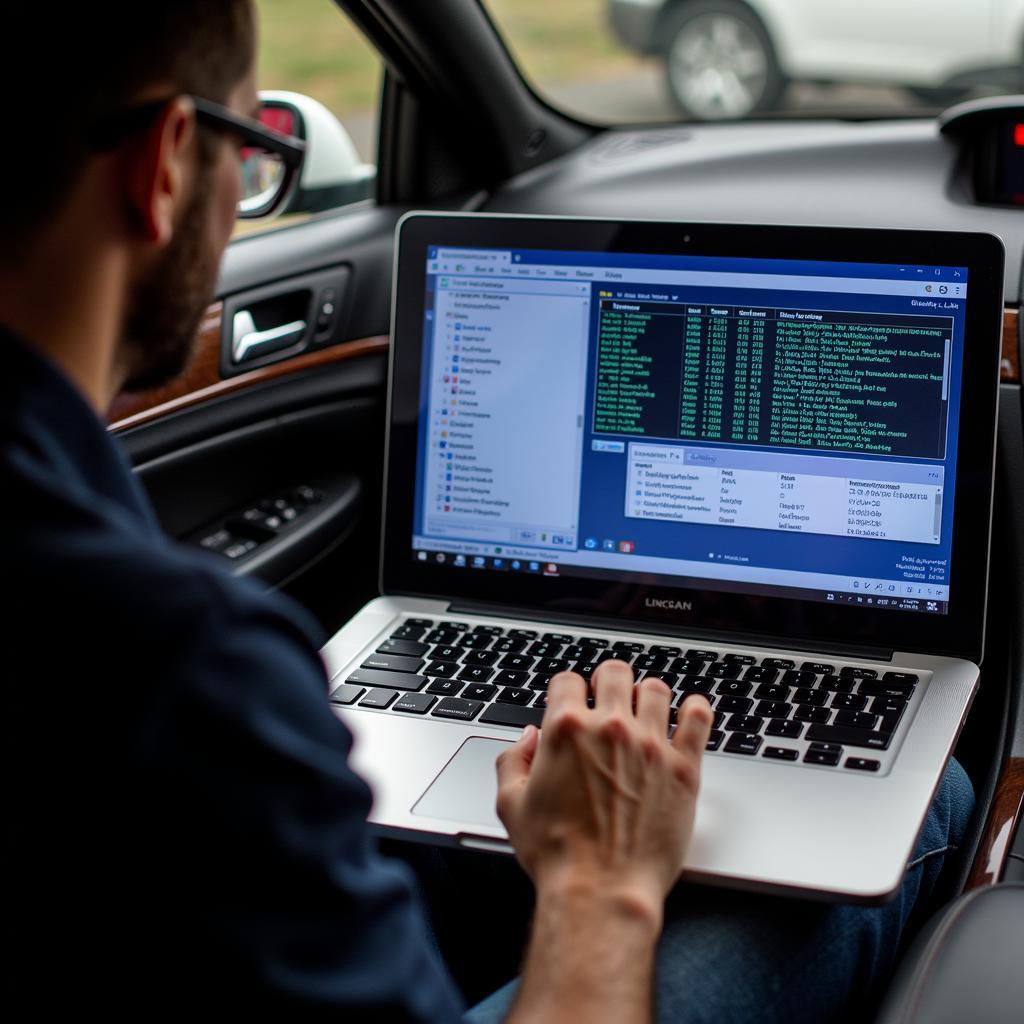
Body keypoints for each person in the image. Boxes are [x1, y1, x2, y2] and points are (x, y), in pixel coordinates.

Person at [2, 3, 973, 1019]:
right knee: (929, 799)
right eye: (250, 155)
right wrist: (600, 881)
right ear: (164, 166)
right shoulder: (185, 666)